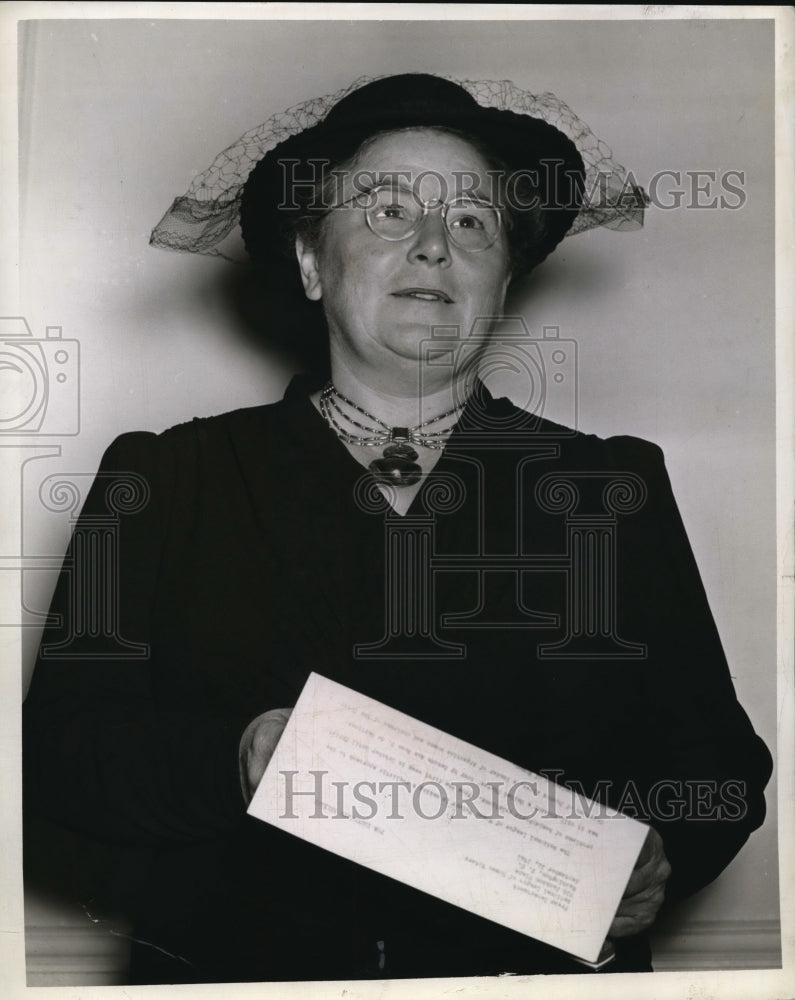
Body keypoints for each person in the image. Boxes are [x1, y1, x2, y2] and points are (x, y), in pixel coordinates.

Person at [22, 73, 772, 983]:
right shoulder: (164, 478)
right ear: (309, 261)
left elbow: (717, 766)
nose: (430, 247)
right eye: (385, 212)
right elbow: (55, 754)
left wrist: (662, 852)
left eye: (470, 224)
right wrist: (234, 756)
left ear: (501, 277)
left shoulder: (610, 485)